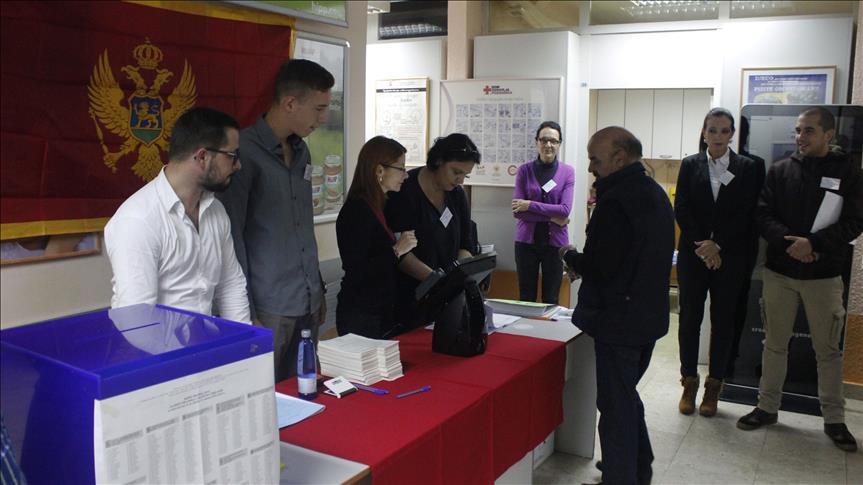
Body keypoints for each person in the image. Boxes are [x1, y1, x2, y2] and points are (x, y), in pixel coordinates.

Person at [738, 107, 862, 452]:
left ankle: (834, 419)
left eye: (809, 131)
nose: (800, 137)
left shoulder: (848, 172)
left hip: (823, 275)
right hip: (781, 272)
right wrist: (790, 244)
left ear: (828, 135)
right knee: (774, 344)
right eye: (798, 130)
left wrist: (815, 245)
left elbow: (855, 221)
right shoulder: (780, 170)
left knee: (828, 350)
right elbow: (763, 214)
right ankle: (767, 408)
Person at [560, 126, 674, 485]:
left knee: (615, 405)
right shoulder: (654, 193)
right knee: (624, 396)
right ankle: (637, 467)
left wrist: (570, 256)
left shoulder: (617, 201)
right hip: (646, 317)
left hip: (620, 320)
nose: (590, 167)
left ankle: (620, 476)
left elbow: (602, 266)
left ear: (619, 158)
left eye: (595, 159)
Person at [217, 59, 334, 381]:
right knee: (264, 393)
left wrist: (317, 287)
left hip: (306, 298)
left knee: (306, 389)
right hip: (268, 305)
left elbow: (303, 226)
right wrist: (246, 313)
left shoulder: (302, 152)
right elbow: (232, 238)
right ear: (290, 103)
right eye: (318, 109)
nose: (323, 119)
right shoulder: (243, 153)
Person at [104, 107, 250, 323]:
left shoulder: (215, 210)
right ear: (202, 157)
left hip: (208, 339)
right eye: (232, 156)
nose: (238, 165)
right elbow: (137, 321)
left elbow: (230, 286)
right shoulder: (138, 220)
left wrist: (245, 340)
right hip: (157, 344)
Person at [673, 108, 763, 416]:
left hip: (731, 256)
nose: (718, 136)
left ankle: (714, 386)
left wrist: (718, 244)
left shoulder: (748, 167)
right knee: (689, 319)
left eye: (724, 131)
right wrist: (704, 246)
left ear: (732, 134)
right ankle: (689, 381)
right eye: (712, 130)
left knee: (724, 321)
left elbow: (748, 213)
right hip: (694, 254)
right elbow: (681, 207)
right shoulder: (690, 164)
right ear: (704, 132)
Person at [385, 133, 481, 327]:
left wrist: (457, 276)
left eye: (465, 175)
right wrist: (437, 281)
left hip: (447, 297)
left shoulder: (457, 195)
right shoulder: (405, 190)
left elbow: (466, 244)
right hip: (410, 297)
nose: (460, 181)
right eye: (456, 172)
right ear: (438, 161)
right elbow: (401, 252)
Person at [336, 136, 417, 338]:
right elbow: (357, 269)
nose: (406, 175)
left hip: (380, 309)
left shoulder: (380, 205)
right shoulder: (357, 210)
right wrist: (397, 250)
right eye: (401, 169)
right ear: (380, 170)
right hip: (361, 313)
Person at [512, 121, 575, 305]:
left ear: (559, 144)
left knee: (551, 299)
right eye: (544, 140)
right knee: (526, 297)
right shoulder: (524, 171)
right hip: (526, 244)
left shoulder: (567, 172)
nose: (548, 145)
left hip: (556, 245)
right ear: (537, 142)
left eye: (553, 141)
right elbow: (518, 212)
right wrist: (553, 217)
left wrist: (530, 205)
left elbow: (565, 210)